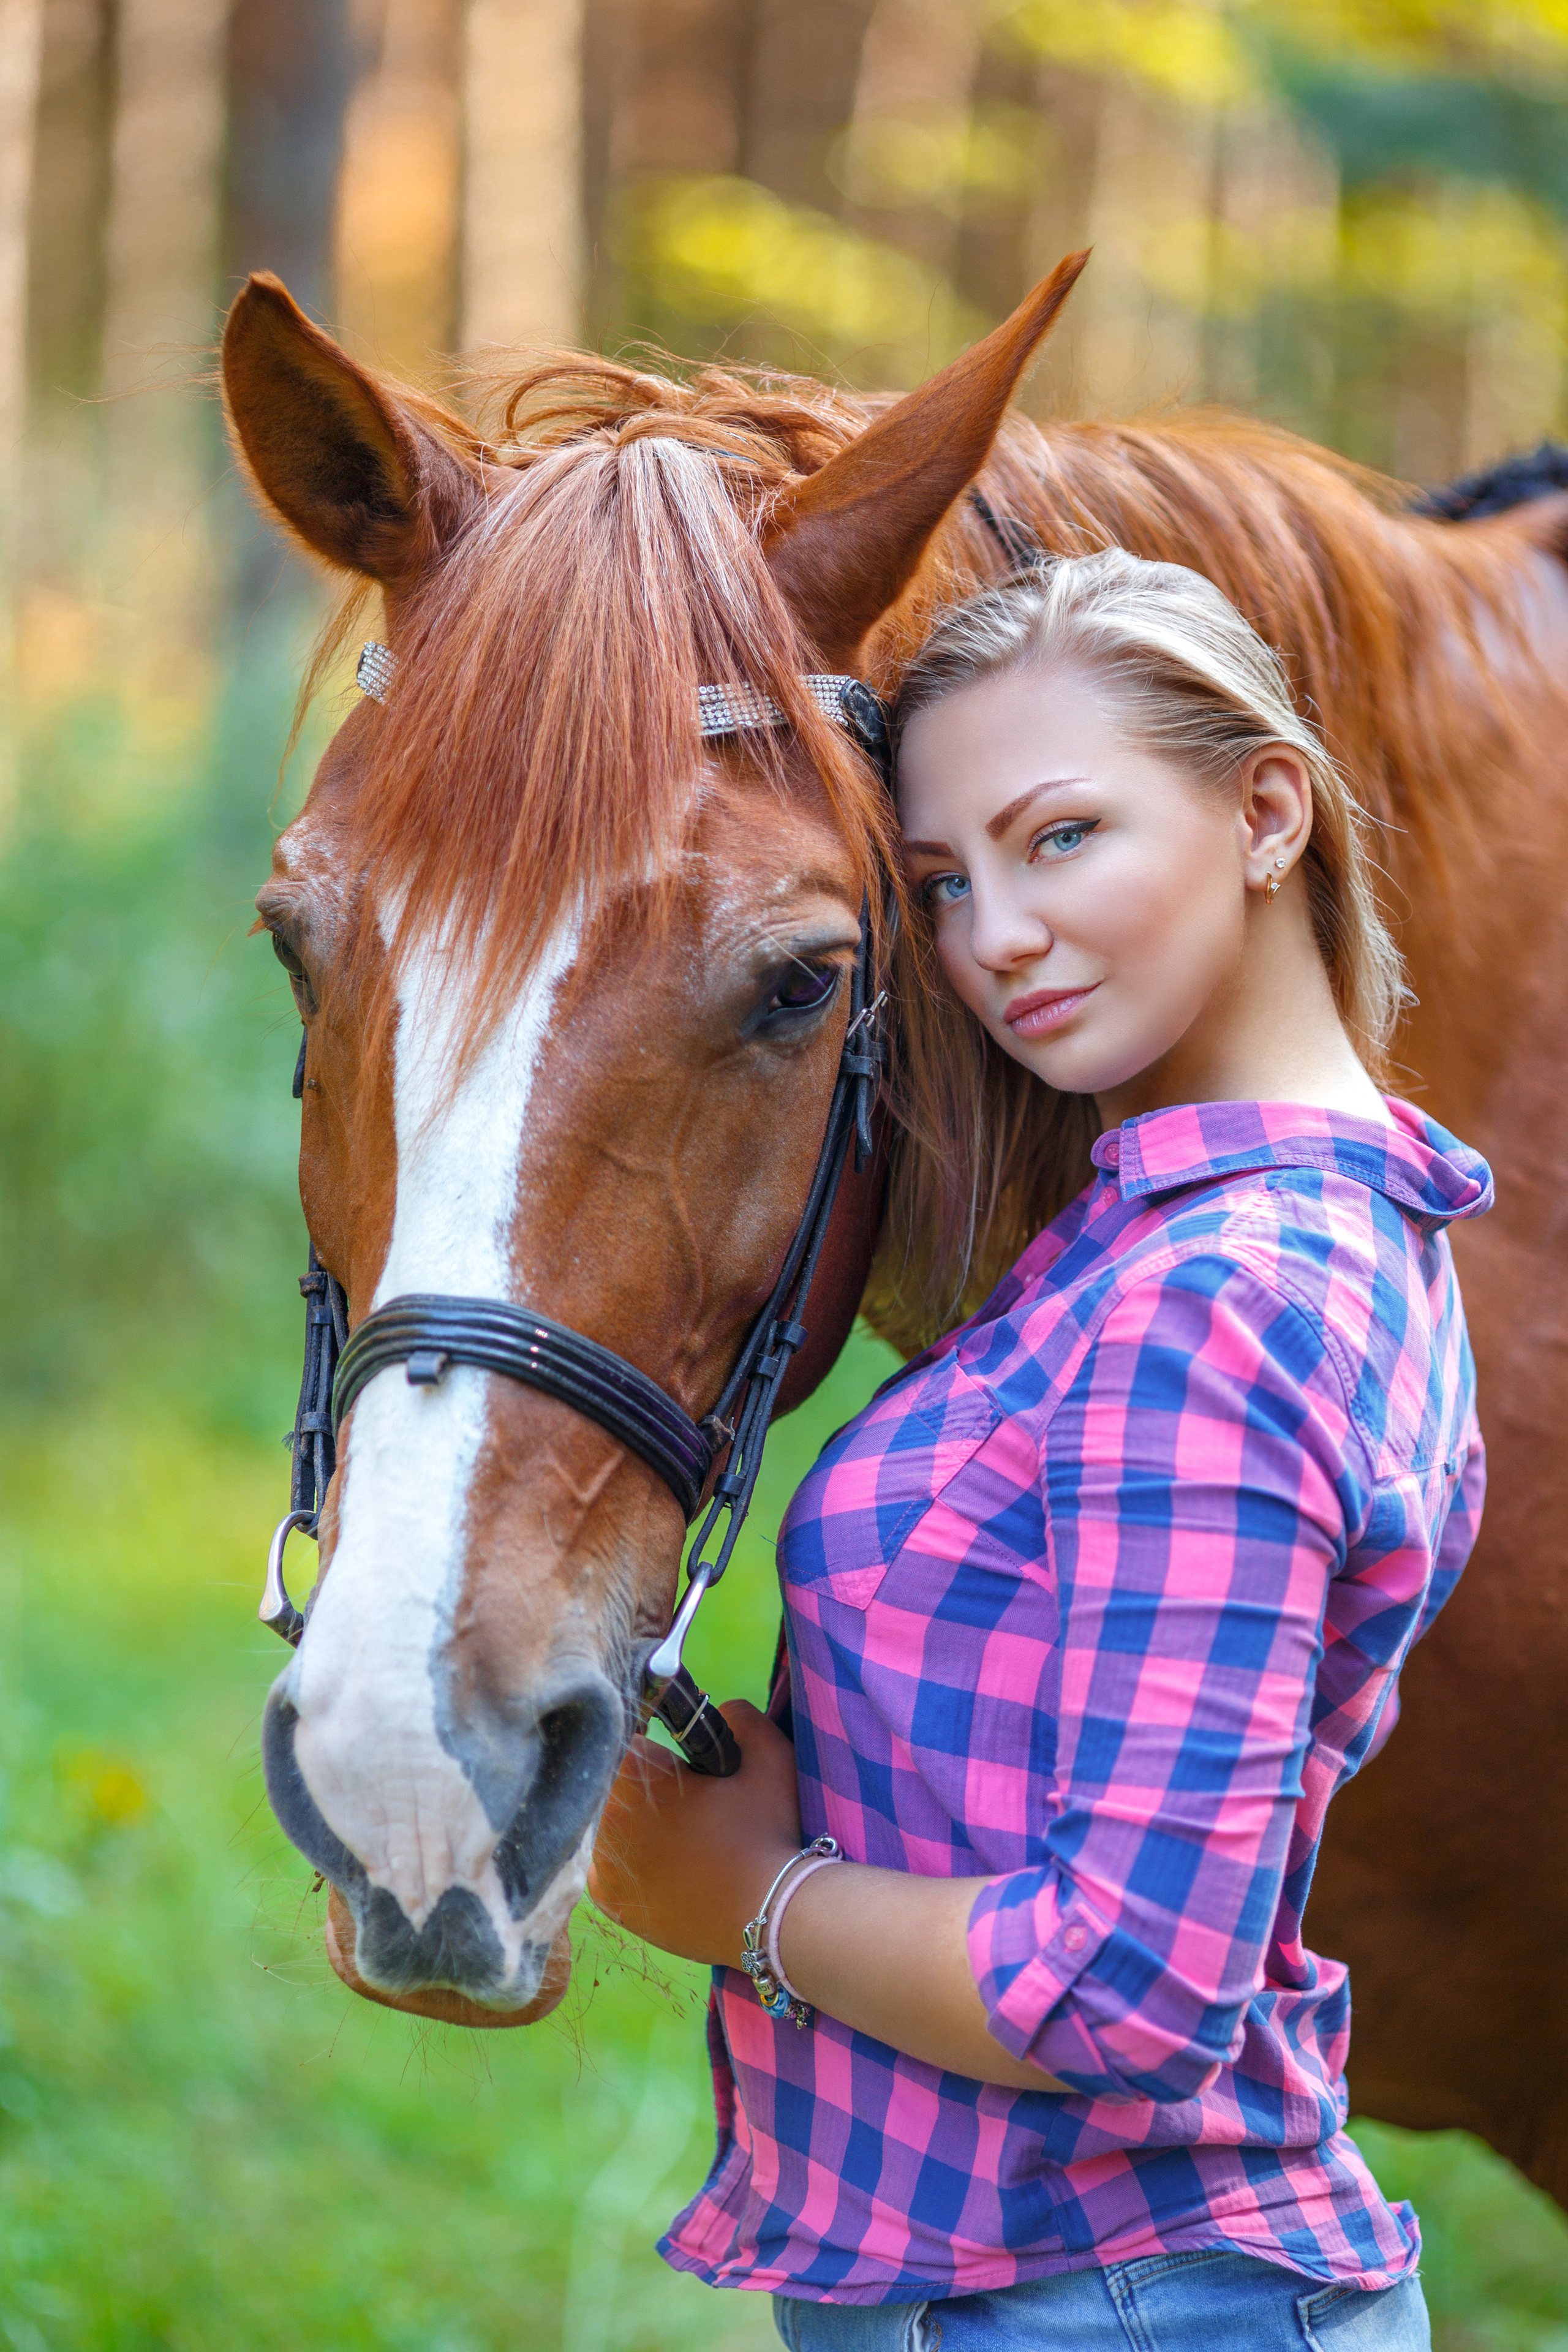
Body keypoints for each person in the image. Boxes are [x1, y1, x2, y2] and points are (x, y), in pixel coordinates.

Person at [589, 549, 1490, 2350]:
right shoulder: (1184, 1232)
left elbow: (1127, 1989)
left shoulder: (1227, 1298)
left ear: (1263, 811)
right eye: (939, 882)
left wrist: (751, 1900)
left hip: (1115, 2302)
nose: (990, 937)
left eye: (1061, 836)